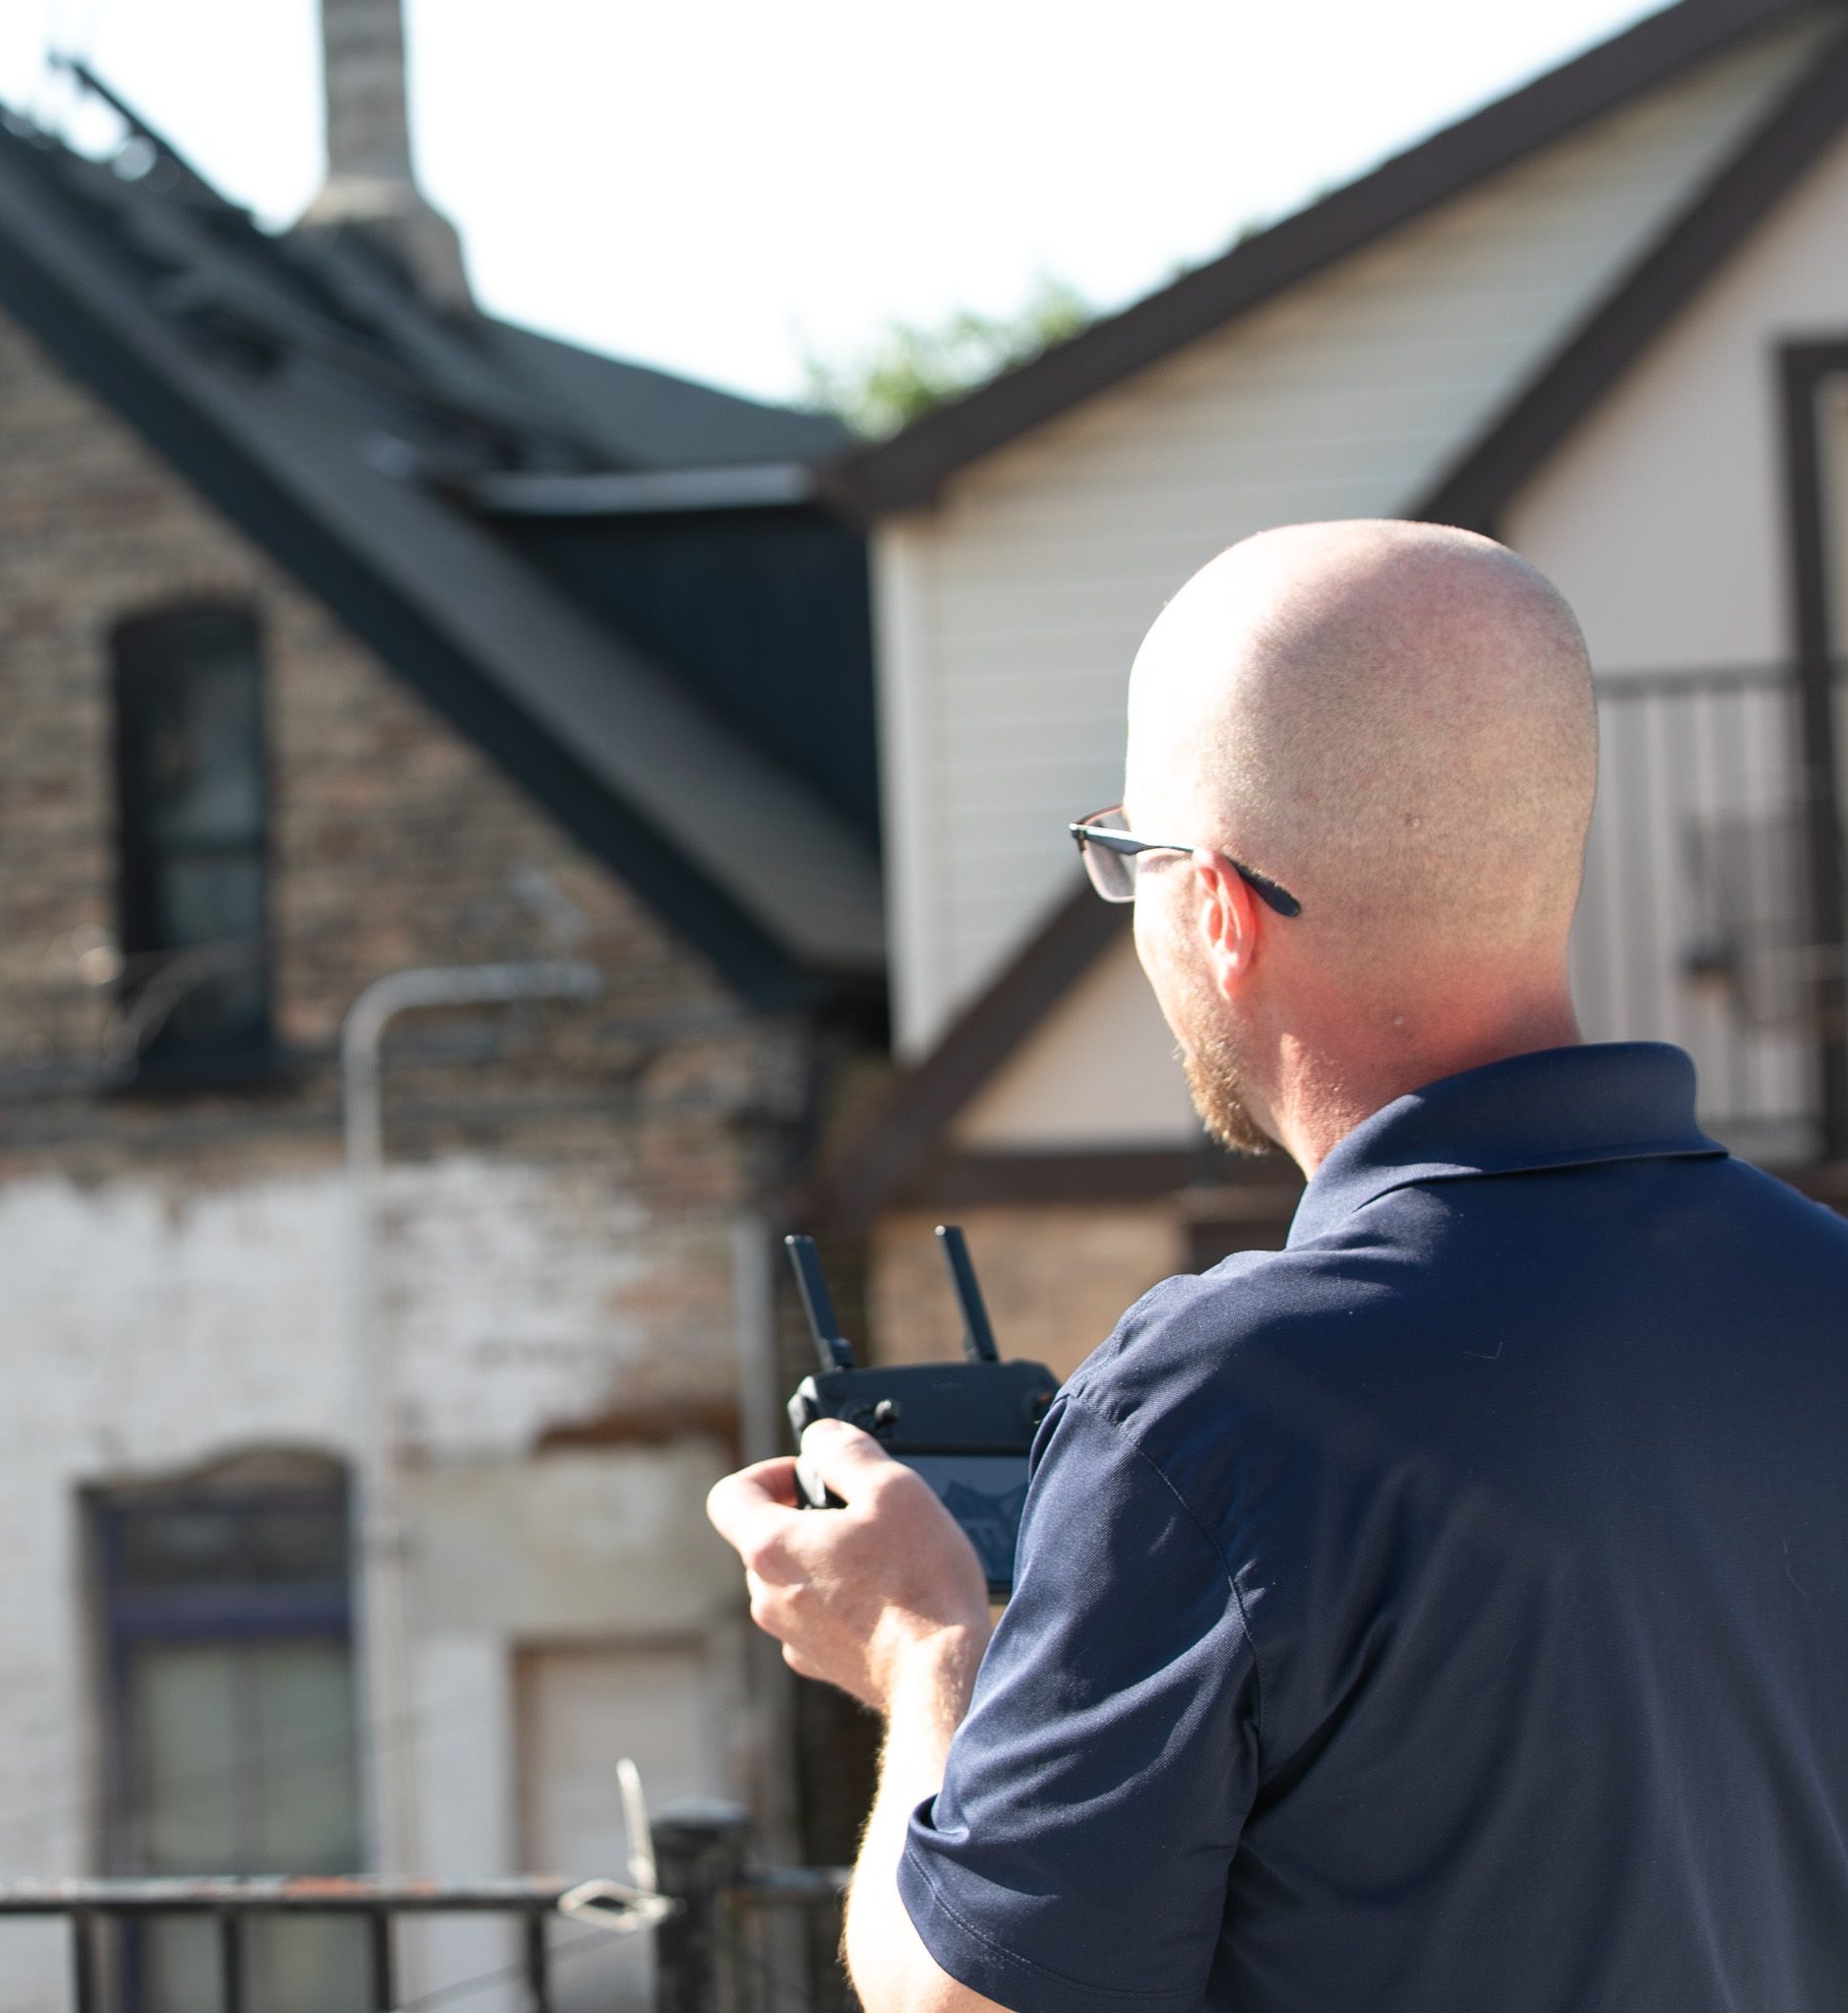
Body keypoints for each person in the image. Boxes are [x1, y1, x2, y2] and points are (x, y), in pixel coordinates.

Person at [709, 520, 1848, 2012]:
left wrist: (923, 1648)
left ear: (1217, 907)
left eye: (1130, 862)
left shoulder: (1229, 1402)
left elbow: (960, 2002)